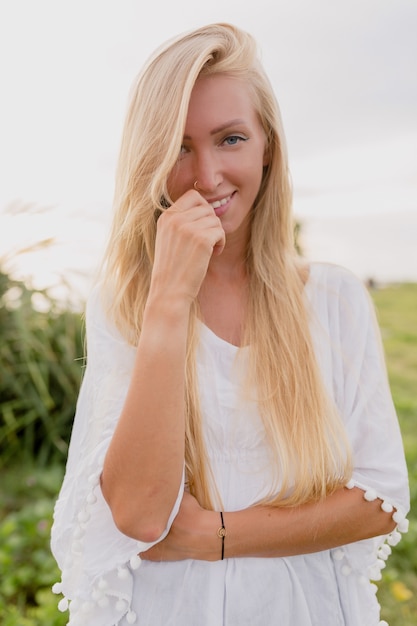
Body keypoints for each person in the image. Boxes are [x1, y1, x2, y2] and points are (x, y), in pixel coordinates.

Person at [51, 23, 409, 626]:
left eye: (231, 139)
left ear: (268, 146)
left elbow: (379, 501)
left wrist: (214, 535)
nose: (206, 176)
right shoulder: (125, 300)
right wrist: (167, 303)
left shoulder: (336, 298)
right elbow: (139, 516)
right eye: (178, 146)